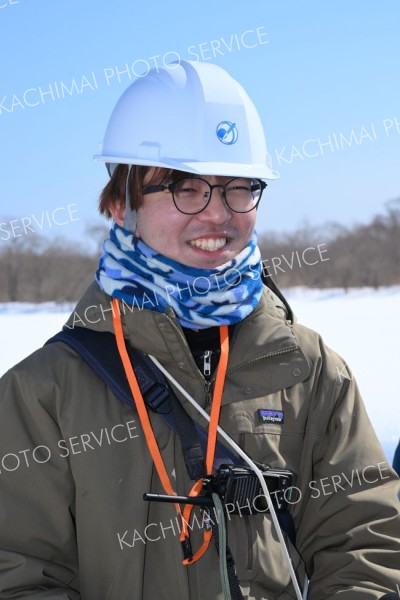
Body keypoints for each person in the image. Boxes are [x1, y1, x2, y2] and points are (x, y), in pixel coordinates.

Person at [0, 60, 399, 600]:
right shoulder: (41, 393)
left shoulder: (310, 368)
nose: (218, 215)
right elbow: (18, 574)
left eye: (238, 187)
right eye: (186, 187)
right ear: (121, 203)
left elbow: (367, 545)